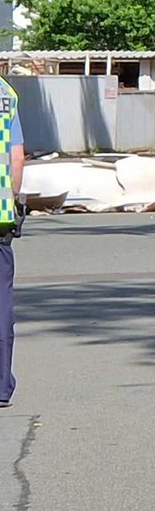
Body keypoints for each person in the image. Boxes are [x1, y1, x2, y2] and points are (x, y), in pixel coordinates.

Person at [0, 75, 24, 409]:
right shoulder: (5, 92)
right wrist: (13, 198)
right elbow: (17, 159)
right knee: (1, 304)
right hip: (0, 213)